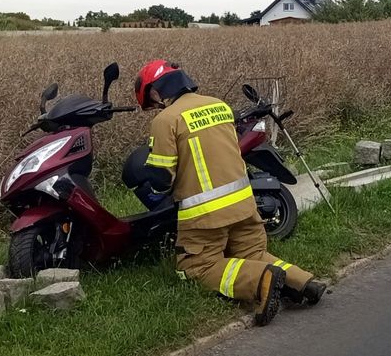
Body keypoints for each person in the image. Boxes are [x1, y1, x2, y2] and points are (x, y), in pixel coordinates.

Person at [135, 60, 326, 326]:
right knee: (252, 254)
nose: (154, 105)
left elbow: (161, 178)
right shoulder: (219, 106)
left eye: (152, 100)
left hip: (205, 215)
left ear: (156, 93)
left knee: (198, 267)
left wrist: (154, 186)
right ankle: (303, 282)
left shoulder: (167, 119)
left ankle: (261, 282)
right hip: (245, 205)